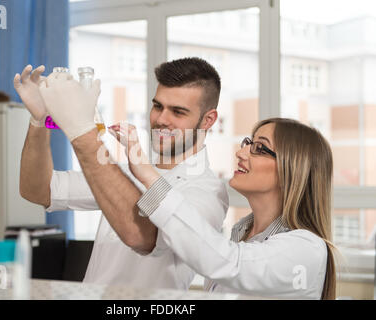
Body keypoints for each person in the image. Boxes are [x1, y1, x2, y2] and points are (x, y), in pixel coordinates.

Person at [14, 58, 229, 290]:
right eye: (158, 106)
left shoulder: (208, 192)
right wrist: (40, 120)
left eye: (178, 112)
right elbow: (38, 190)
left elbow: (142, 237)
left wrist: (81, 130)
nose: (161, 120)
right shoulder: (126, 171)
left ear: (208, 120)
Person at [111, 117, 336, 299]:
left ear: (292, 169)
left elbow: (225, 262)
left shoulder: (306, 249)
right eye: (248, 143)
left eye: (259, 148)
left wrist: (145, 171)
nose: (241, 152)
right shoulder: (242, 234)